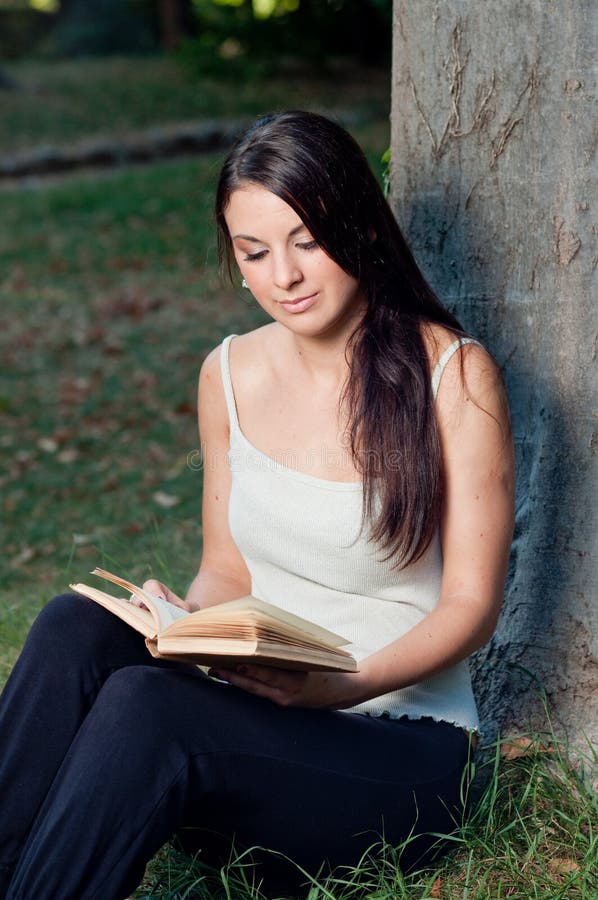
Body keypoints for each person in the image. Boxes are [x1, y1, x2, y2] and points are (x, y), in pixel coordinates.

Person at [0, 110, 515, 899]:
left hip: (403, 753)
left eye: (307, 240)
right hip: (270, 724)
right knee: (75, 626)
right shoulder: (227, 373)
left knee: (145, 708)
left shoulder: (454, 374)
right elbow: (227, 569)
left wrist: (344, 686)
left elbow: (473, 606)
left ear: (360, 229)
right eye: (255, 252)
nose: (286, 276)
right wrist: (184, 622)